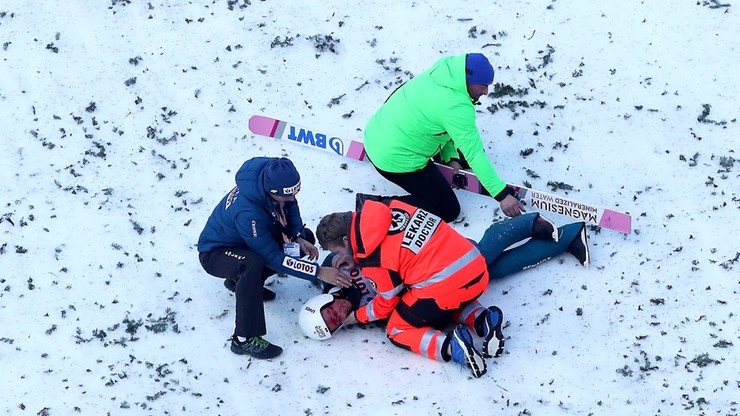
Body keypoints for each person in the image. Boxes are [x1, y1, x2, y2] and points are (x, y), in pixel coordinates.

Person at [299, 200, 589, 372]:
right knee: (461, 285)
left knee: (401, 327)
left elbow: (385, 299)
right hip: (452, 253)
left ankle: (454, 347)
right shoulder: (385, 209)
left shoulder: (357, 267)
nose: (339, 314)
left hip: (449, 271)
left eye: (332, 312)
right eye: (336, 323)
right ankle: (484, 319)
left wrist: (352, 306)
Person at [197, 157, 350, 360]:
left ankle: (239, 284)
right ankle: (243, 338)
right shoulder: (248, 212)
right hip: (217, 253)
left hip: (246, 242)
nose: (291, 199)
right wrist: (319, 272)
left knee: (304, 240)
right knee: (252, 264)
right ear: (271, 192)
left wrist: (296, 234)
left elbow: (290, 203)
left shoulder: (273, 175)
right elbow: (273, 258)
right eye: (285, 197)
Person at [363, 52, 524, 222]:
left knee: (464, 149)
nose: (486, 92)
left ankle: (444, 156)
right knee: (448, 209)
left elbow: (441, 122)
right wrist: (502, 195)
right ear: (467, 81)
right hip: (395, 161)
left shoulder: (442, 74)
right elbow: (474, 154)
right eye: (483, 86)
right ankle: (376, 206)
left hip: (376, 134)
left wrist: (450, 156)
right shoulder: (456, 107)